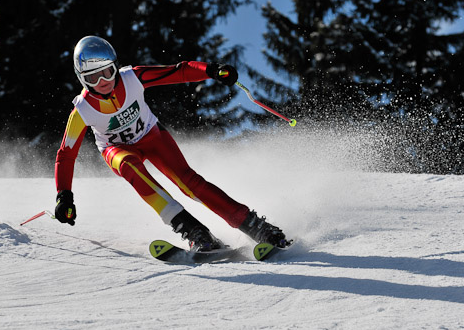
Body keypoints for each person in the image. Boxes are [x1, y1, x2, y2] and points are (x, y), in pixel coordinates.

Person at [54, 35, 289, 251]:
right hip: (117, 149)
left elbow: (179, 71)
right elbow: (66, 154)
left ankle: (255, 225)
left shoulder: (132, 78)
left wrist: (212, 70)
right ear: (81, 80)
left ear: (116, 67)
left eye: (107, 72)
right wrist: (64, 196)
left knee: (189, 183)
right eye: (92, 78)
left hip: (152, 136)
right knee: (130, 167)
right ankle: (194, 231)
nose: (103, 81)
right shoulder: (82, 110)